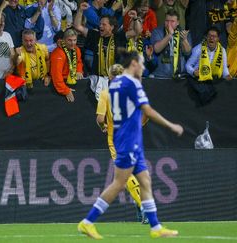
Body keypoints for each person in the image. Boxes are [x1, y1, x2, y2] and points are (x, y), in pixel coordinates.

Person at [78, 50, 183, 239]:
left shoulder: (113, 87)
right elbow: (147, 112)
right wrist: (171, 125)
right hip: (128, 141)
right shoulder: (131, 85)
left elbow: (107, 116)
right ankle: (88, 221)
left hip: (125, 138)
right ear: (132, 65)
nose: (142, 67)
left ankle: (155, 226)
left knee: (145, 181)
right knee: (119, 183)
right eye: (140, 63)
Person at [96, 63, 149, 224]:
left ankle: (142, 206)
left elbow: (99, 118)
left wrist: (103, 126)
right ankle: (139, 205)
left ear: (110, 78)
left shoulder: (106, 94)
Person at [185, 27, 231, 105]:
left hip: (211, 78)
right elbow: (188, 65)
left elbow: (224, 67)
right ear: (206, 37)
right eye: (209, 36)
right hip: (197, 77)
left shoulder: (222, 50)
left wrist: (227, 75)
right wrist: (193, 72)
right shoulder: (198, 48)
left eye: (214, 36)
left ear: (218, 39)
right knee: (205, 92)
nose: (211, 38)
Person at [151, 9, 191, 78]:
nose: (169, 24)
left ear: (178, 22)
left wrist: (184, 40)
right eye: (167, 21)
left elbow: (188, 52)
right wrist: (169, 35)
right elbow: (156, 49)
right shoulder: (157, 31)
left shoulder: (183, 33)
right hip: (161, 75)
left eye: (172, 21)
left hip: (180, 76)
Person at [50, 28, 83, 102]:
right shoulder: (58, 53)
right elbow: (56, 75)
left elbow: (79, 62)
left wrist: (79, 70)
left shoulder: (76, 49)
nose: (73, 43)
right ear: (63, 40)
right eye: (70, 40)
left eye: (74, 40)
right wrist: (65, 90)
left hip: (72, 79)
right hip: (61, 83)